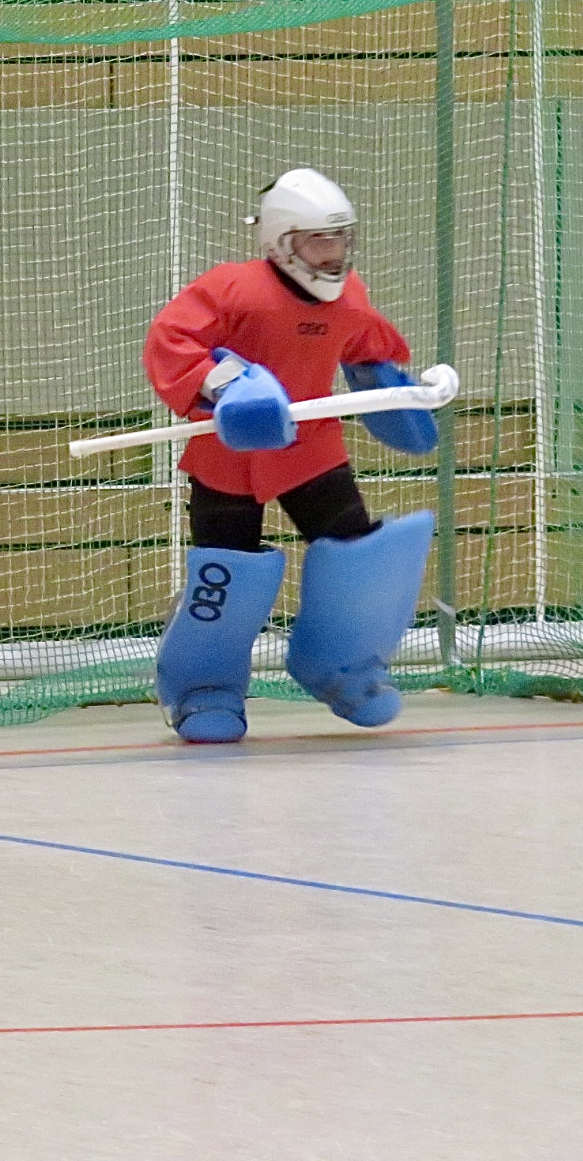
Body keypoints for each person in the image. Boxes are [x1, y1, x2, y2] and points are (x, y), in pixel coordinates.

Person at [144, 168, 438, 744]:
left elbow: (363, 344)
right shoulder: (234, 288)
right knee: (226, 570)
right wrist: (226, 385)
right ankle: (205, 688)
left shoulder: (350, 296)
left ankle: (345, 667)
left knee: (356, 550)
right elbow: (172, 339)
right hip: (230, 449)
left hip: (311, 447)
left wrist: (389, 387)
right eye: (318, 241)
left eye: (340, 239)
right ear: (282, 242)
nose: (333, 254)